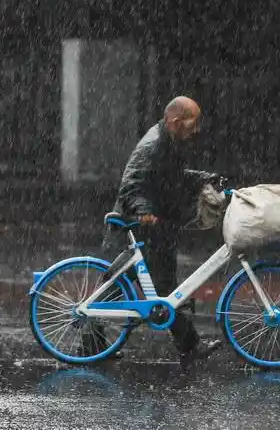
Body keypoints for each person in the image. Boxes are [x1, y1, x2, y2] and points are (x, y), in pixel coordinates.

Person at [104, 95, 225, 364]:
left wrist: (205, 178)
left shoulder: (170, 142)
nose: (196, 129)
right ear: (174, 121)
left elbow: (172, 176)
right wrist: (143, 210)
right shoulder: (154, 144)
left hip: (157, 228)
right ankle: (190, 348)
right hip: (140, 226)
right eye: (192, 123)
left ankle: (189, 348)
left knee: (157, 289)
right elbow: (132, 182)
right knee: (136, 287)